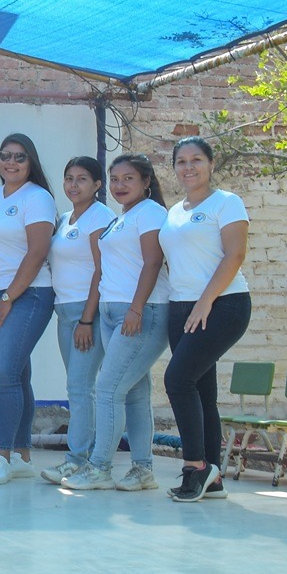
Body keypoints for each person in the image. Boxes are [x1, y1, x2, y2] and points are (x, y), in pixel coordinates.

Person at [62, 154, 170, 493]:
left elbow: (153, 262)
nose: (120, 186)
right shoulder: (125, 217)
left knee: (107, 389)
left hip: (140, 312)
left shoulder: (152, 213)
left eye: (129, 179)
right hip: (112, 312)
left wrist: (136, 309)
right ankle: (143, 469)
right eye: (116, 179)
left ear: (146, 182)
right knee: (134, 393)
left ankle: (99, 468)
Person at [159, 136, 250, 502]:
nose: (189, 167)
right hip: (181, 306)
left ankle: (195, 467)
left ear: (211, 164)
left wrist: (204, 302)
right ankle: (213, 479)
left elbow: (235, 255)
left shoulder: (227, 203)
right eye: (181, 161)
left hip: (223, 304)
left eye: (196, 159)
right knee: (201, 390)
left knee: (177, 379)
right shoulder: (174, 211)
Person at [0, 133, 55, 485]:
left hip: (28, 294)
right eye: (5, 155)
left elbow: (37, 253)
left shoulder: (38, 198)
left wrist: (8, 298)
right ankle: (22, 455)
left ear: (31, 161)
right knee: (18, 374)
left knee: (5, 371)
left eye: (20, 157)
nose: (11, 162)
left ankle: (2, 456)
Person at [40, 157, 113, 485]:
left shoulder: (100, 217)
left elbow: (101, 270)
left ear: (97, 185)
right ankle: (83, 456)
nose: (73, 185)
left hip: (88, 313)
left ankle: (78, 460)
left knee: (81, 388)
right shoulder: (66, 218)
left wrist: (87, 319)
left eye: (82, 179)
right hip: (64, 311)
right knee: (78, 388)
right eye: (69, 178)